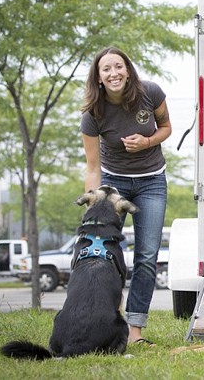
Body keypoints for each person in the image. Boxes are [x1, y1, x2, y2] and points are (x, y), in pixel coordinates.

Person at [81, 47, 172, 346]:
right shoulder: (93, 114)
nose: (114, 73)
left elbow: (166, 128)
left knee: (146, 257)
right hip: (113, 183)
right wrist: (92, 208)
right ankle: (107, 323)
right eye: (106, 69)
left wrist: (147, 141)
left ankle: (135, 332)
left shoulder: (150, 93)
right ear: (99, 77)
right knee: (106, 256)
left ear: (128, 70)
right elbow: (93, 167)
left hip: (151, 182)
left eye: (118, 66)